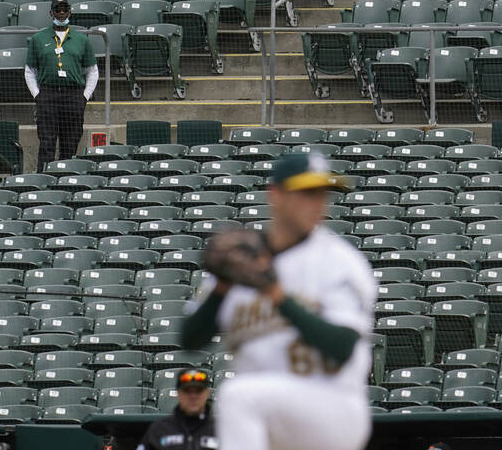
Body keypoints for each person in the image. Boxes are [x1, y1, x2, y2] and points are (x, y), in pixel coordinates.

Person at [180, 151, 376, 450]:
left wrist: (277, 295)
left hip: (331, 404)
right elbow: (190, 340)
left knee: (238, 396)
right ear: (275, 194)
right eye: (306, 192)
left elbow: (342, 347)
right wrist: (221, 287)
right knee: (246, 398)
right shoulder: (241, 260)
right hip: (268, 419)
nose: (317, 203)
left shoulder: (341, 263)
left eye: (322, 193)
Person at [24, 0, 99, 171]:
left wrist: (84, 96)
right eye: (58, 9)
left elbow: (92, 70)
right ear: (51, 13)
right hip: (48, 95)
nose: (62, 13)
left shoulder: (82, 39)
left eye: (65, 9)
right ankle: (45, 178)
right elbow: (30, 71)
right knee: (47, 141)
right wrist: (38, 94)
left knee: (71, 141)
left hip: (73, 96)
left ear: (70, 11)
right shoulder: (38, 39)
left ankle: (67, 178)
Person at [135, 368, 219, 450]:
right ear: (178, 393)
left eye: (198, 391)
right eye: (187, 391)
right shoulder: (160, 429)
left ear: (207, 393)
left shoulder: (220, 429)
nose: (193, 396)